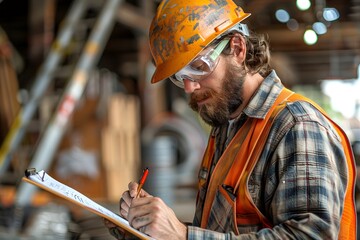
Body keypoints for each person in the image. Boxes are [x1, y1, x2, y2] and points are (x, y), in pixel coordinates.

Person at [105, 0, 357, 239]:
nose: (190, 87)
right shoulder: (228, 128)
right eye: (180, 77)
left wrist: (182, 236)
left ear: (237, 48)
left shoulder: (297, 126)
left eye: (199, 67)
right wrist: (153, 228)